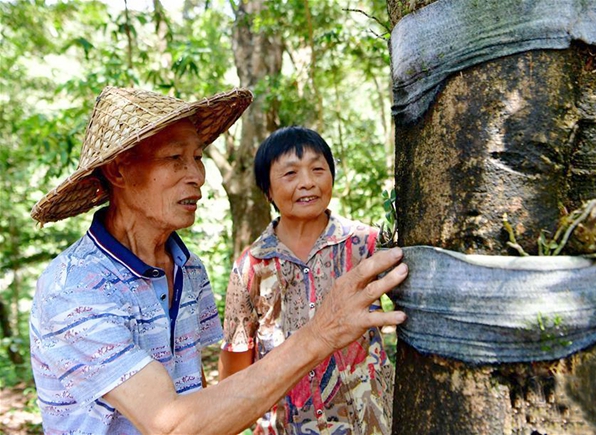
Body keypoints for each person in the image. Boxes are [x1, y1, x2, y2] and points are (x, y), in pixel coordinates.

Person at [29, 86, 408, 435]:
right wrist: (322, 332)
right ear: (118, 170)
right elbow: (171, 425)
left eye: (197, 157)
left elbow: (200, 393)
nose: (198, 175)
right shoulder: (73, 288)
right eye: (175, 158)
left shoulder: (187, 267)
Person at [219, 126, 395, 435]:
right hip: (283, 426)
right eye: (290, 174)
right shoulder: (251, 266)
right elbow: (235, 366)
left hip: (367, 423)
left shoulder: (367, 246)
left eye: (318, 169)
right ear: (267, 190)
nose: (308, 183)